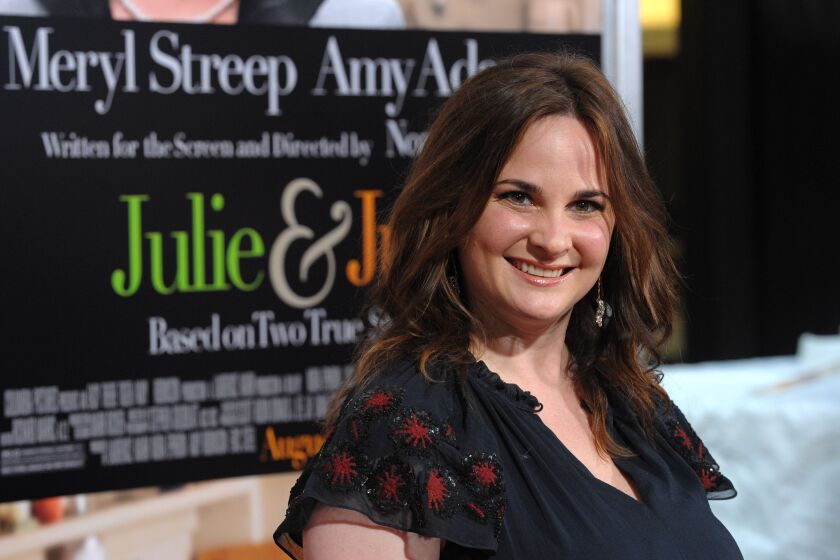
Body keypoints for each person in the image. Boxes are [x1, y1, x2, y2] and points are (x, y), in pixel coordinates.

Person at [275, 52, 743, 559]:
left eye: (585, 205)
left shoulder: (631, 401)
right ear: (453, 208)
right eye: (519, 197)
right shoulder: (403, 429)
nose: (552, 239)